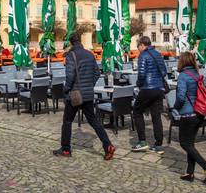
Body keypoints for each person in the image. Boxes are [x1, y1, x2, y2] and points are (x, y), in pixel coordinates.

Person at [53, 32, 116, 160]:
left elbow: (70, 76)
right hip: (87, 94)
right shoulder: (89, 54)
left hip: (75, 94)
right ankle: (107, 145)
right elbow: (97, 73)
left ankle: (66, 149)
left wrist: (66, 89)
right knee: (94, 121)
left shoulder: (71, 55)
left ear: (71, 42)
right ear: (80, 40)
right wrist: (89, 85)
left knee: (67, 121)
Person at [174, 52, 206, 183]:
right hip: (199, 113)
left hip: (187, 114)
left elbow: (181, 97)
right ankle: (189, 173)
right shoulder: (196, 75)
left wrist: (175, 107)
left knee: (184, 143)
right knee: (190, 144)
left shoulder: (183, 76)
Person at [131, 36, 168, 154]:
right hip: (159, 89)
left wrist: (138, 84)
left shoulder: (143, 55)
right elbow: (164, 72)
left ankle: (142, 141)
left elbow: (141, 74)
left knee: (137, 111)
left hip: (147, 88)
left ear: (142, 45)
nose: (138, 49)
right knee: (156, 117)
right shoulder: (158, 54)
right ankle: (158, 145)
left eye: (138, 47)